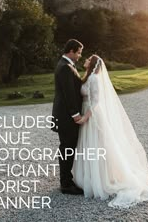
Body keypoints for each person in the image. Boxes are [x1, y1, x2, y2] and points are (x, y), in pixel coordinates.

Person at [72, 55, 148, 208]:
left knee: (97, 144)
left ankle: (101, 178)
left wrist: (85, 117)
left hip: (92, 115)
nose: (84, 60)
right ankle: (90, 176)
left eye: (87, 59)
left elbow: (96, 101)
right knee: (88, 144)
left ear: (92, 63)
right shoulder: (87, 77)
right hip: (86, 111)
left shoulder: (94, 79)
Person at [52, 39, 84, 195]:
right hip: (66, 117)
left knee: (67, 147)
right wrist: (76, 115)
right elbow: (68, 94)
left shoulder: (66, 65)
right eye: (78, 52)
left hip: (65, 115)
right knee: (67, 148)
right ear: (71, 50)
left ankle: (66, 180)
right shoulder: (65, 67)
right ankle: (66, 184)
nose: (79, 56)